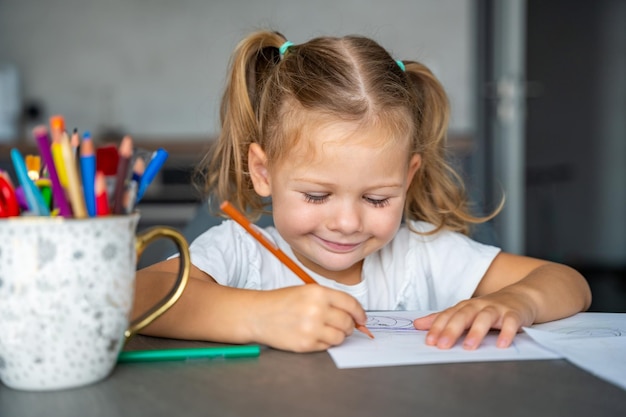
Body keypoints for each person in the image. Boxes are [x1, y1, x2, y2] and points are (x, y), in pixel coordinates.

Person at [133, 30, 591, 353]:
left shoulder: (420, 254)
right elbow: (135, 295)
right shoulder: (240, 253)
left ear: (408, 178)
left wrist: (517, 302)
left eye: (377, 199)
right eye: (316, 196)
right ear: (263, 172)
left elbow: (569, 283)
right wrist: (257, 315)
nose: (348, 223)